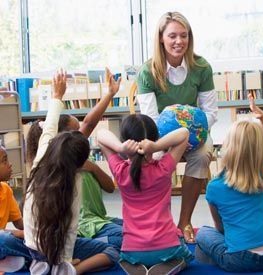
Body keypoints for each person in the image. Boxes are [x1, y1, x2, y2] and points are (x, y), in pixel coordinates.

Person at [23, 71, 119, 275]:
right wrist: (66, 264)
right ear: (79, 163)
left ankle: (39, 263)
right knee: (119, 247)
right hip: (59, 252)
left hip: (35, 252)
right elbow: (71, 227)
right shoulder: (72, 180)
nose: (81, 132)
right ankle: (69, 268)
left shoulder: (42, 159)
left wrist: (57, 96)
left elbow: (50, 128)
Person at [136, 11, 218, 243]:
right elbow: (150, 118)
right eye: (172, 36)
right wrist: (171, 142)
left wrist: (192, 136)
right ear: (161, 38)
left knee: (202, 155)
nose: (179, 41)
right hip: (160, 135)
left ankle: (185, 221)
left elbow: (211, 112)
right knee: (155, 156)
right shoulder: (147, 71)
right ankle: (160, 223)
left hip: (195, 134)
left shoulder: (201, 67)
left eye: (184, 36)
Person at [195, 94, 263, 272]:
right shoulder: (262, 172)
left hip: (239, 260)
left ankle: (216, 258)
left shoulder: (214, 186)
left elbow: (220, 228)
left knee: (204, 233)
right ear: (260, 149)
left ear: (228, 147)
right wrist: (259, 113)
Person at [97, 114, 194, 275]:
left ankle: (132, 265)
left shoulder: (120, 170)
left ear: (125, 140)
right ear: (154, 138)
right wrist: (155, 147)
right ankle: (169, 265)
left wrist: (121, 148)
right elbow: (184, 133)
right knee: (186, 254)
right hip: (166, 247)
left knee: (123, 253)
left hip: (132, 250)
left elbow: (101, 134)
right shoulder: (163, 168)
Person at [0, 146, 31, 273]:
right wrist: (18, 234)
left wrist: (39, 228)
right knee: (3, 239)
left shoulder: (6, 189)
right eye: (4, 160)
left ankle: (33, 260)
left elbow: (19, 223)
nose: (10, 164)